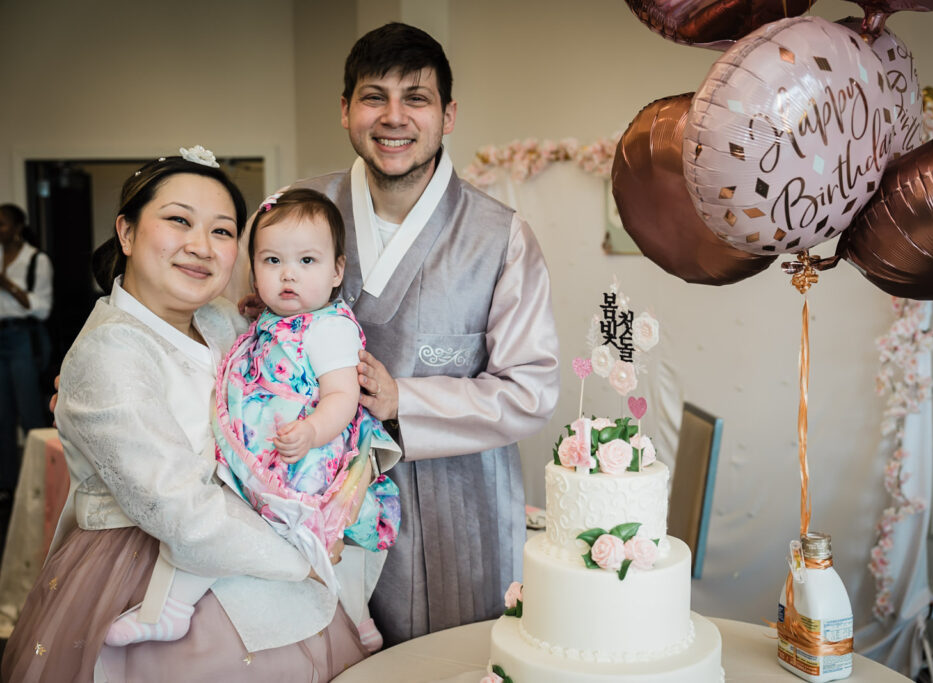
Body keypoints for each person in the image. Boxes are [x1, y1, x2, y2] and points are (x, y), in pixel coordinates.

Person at [1, 149, 371, 682]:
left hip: (259, 535)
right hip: (150, 564)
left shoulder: (223, 319)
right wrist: (302, 558)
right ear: (126, 233)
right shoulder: (109, 354)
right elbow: (180, 508)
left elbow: (298, 383)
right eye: (178, 220)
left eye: (222, 231)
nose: (201, 246)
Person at [286, 22, 561, 645]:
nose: (394, 117)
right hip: (312, 486)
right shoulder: (293, 210)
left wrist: (404, 399)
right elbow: (235, 331)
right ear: (345, 110)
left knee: (453, 660)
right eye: (373, 96)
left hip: (458, 499)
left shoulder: (501, 237)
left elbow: (531, 391)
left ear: (448, 113)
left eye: (416, 98)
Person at [104, 187, 400, 653]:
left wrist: (312, 431)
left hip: (303, 459)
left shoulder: (330, 329)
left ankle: (357, 619)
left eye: (307, 262)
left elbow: (343, 398)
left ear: (337, 270)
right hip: (259, 451)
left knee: (317, 541)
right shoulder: (266, 320)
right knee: (223, 529)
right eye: (272, 261)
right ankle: (171, 609)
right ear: (252, 269)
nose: (288, 275)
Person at [0, 203, 53, 500]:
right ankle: (7, 485)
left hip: (24, 338)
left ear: (18, 228)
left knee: (30, 412)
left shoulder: (36, 260)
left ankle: (40, 486)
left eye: (3, 224)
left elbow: (43, 308)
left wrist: (7, 284)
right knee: (2, 416)